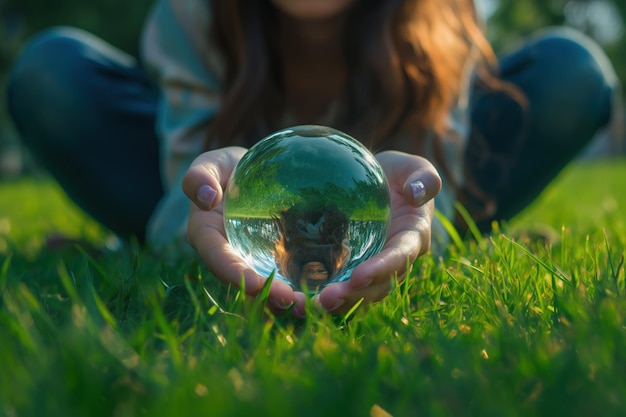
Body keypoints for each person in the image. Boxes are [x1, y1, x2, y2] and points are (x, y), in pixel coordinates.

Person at [6, 0, 620, 318]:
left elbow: (436, 179)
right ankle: (147, 240)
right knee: (51, 74)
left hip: (388, 189)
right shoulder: (190, 11)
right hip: (215, 191)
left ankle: (126, 245)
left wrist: (422, 206)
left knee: (571, 72)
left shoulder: (440, 13)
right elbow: (185, 176)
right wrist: (206, 203)